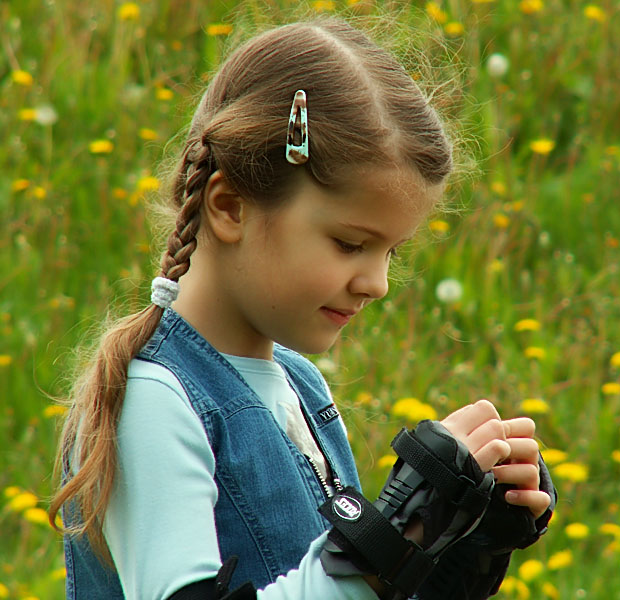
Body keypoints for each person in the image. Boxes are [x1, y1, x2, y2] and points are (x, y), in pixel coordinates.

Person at [49, 17, 555, 600]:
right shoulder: (154, 402)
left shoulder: (299, 383)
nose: (378, 283)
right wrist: (385, 544)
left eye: (392, 249)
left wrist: (460, 533)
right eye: (349, 244)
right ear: (230, 206)